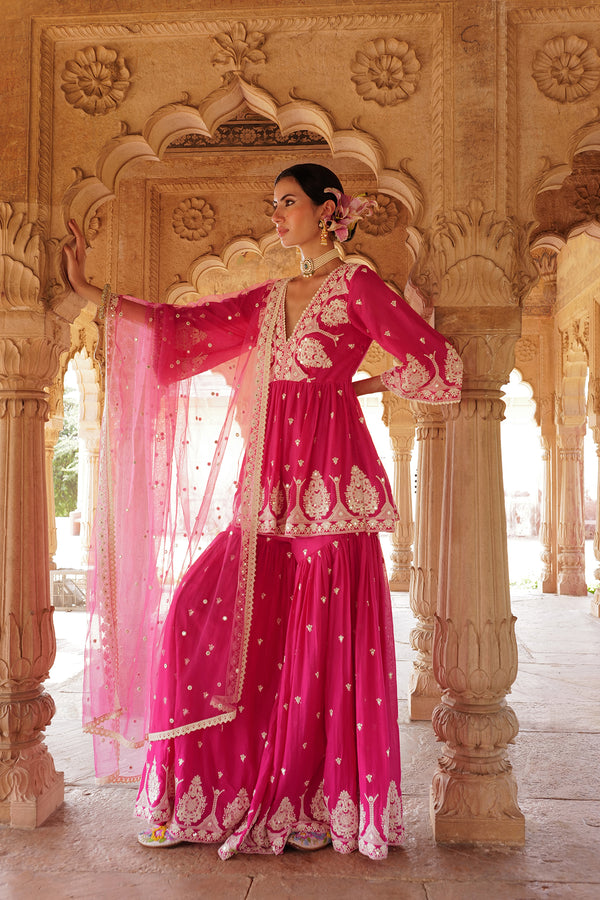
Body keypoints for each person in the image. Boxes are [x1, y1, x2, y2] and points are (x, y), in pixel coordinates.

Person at [63, 163, 462, 860]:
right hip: (267, 493)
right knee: (192, 610)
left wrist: (354, 387)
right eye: (273, 204)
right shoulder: (272, 298)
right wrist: (93, 295)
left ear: (328, 210)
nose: (277, 217)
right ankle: (226, 791)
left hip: (331, 496)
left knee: (319, 652)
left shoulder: (359, 286)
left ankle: (310, 800)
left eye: (288, 204)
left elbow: (437, 364)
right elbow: (183, 325)